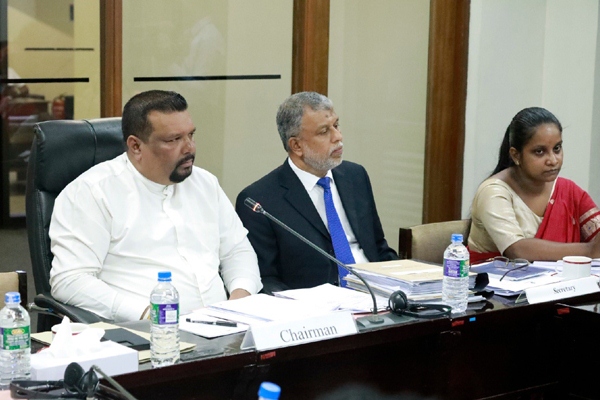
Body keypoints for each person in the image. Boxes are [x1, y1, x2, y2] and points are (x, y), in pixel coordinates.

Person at [49, 90, 262, 322]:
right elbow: (70, 280)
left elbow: (237, 251)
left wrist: (240, 300)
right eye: (174, 140)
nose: (189, 148)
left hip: (224, 326)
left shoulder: (205, 183)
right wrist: (150, 315)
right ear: (136, 146)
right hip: (145, 331)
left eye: (191, 135)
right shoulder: (92, 192)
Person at [235, 91, 398, 294]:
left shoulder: (355, 176)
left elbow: (378, 248)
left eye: (336, 125)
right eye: (324, 132)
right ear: (296, 145)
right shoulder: (260, 201)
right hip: (316, 306)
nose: (338, 137)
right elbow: (265, 279)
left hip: (376, 295)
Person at [468, 106, 600, 264]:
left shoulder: (568, 191)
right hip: (495, 278)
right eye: (539, 152)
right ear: (516, 155)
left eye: (557, 148)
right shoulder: (493, 192)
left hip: (558, 279)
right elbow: (516, 250)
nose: (553, 160)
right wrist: (589, 251)